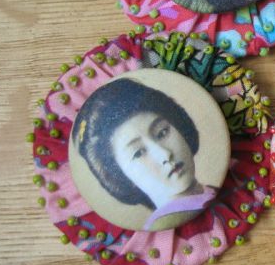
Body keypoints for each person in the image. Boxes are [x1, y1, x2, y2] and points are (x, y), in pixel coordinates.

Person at [72, 78, 215, 231]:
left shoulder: (217, 190)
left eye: (162, 132)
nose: (165, 154)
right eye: (138, 153)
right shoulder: (163, 233)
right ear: (121, 176)